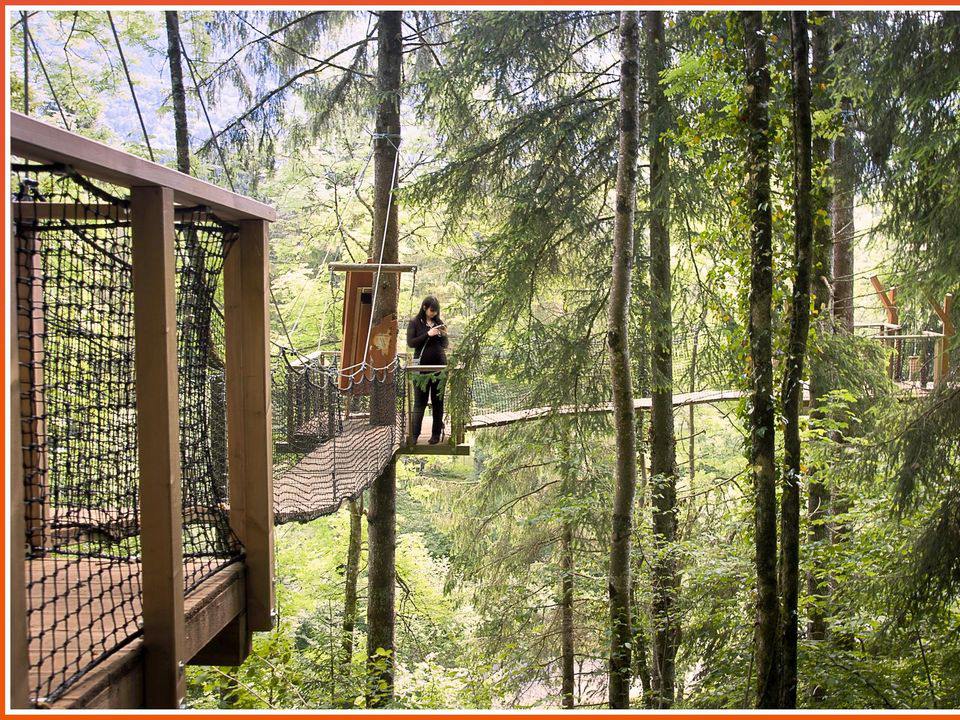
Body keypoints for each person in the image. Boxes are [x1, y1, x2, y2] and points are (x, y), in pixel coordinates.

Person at [406, 295, 448, 444]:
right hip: (421, 370)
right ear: (424, 308)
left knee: (438, 402)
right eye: (431, 311)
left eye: (436, 311)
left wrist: (442, 334)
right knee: (419, 403)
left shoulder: (438, 322)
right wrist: (427, 334)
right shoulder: (415, 323)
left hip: (439, 368)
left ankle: (435, 435)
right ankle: (414, 436)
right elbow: (411, 343)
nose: (434, 314)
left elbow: (445, 345)